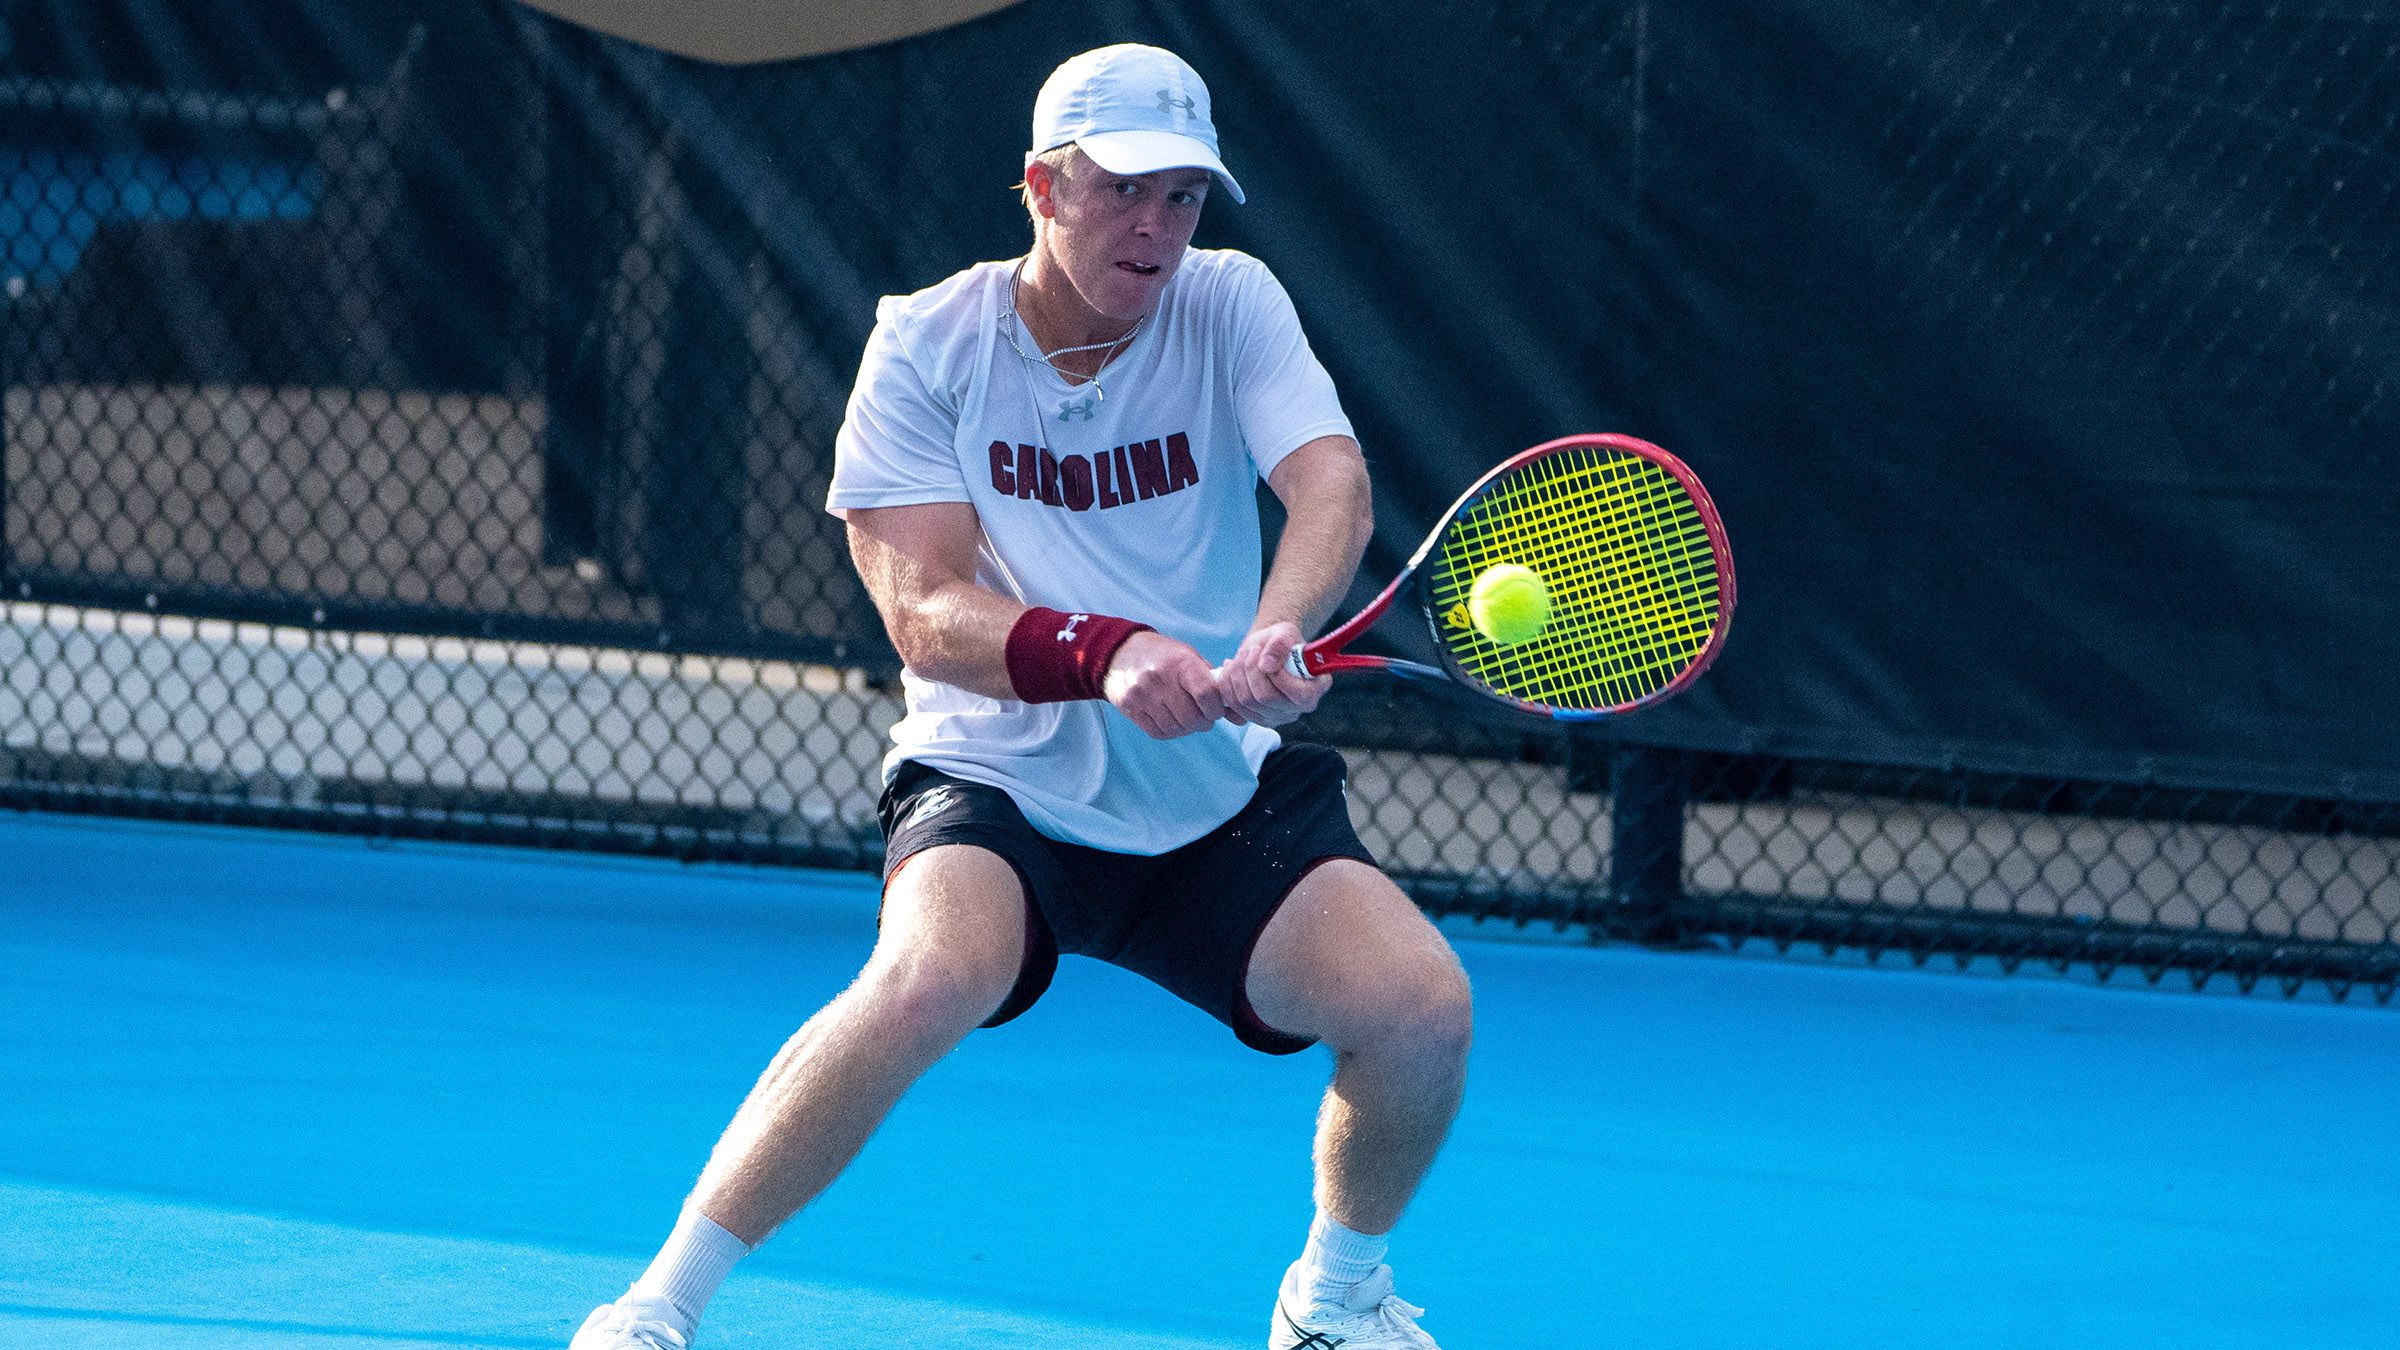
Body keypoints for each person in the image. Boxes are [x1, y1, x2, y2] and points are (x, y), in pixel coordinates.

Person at [571, 43, 1472, 1350]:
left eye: (1184, 197)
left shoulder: (1230, 305)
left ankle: (1333, 1304)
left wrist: (1279, 628)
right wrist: (1103, 652)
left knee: (1421, 1010)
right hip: (998, 779)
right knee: (927, 978)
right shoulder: (928, 344)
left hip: (1209, 798)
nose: (1159, 227)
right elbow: (920, 612)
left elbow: (1327, 481)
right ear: (1042, 188)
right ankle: (657, 1306)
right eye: (1125, 191)